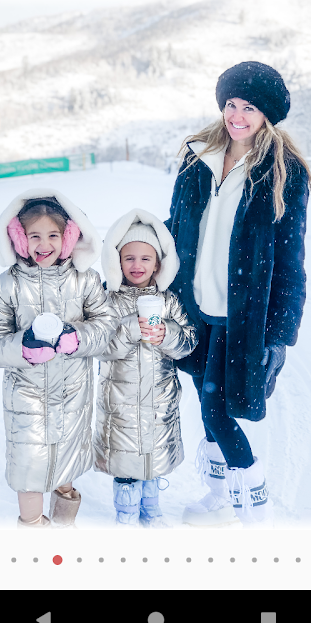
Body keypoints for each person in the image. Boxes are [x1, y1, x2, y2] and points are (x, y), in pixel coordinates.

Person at [164, 61, 311, 528]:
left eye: (249, 107)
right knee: (203, 398)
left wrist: (279, 336)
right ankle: (218, 496)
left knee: (218, 408)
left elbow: (290, 261)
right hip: (192, 307)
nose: (236, 115)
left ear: (267, 114)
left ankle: (255, 510)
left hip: (240, 315)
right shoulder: (199, 157)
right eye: (231, 104)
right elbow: (175, 225)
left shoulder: (282, 172)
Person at [0, 188, 119, 529]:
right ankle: (33, 531)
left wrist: (78, 337)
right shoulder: (3, 287)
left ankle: (63, 527)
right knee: (28, 469)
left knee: (66, 464)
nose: (44, 244)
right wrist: (23, 348)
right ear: (19, 237)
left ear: (68, 236)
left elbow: (106, 324)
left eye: (53, 235)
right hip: (26, 399)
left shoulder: (85, 280)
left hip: (73, 395)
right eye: (35, 236)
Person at [93, 208, 198, 528]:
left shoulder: (169, 301)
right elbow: (100, 348)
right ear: (117, 262)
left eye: (145, 258)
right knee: (126, 465)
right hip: (120, 402)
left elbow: (189, 342)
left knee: (153, 461)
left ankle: (151, 512)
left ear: (158, 264)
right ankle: (125, 517)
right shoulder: (107, 301)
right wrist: (130, 330)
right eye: (129, 258)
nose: (137, 265)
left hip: (159, 400)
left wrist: (168, 334)